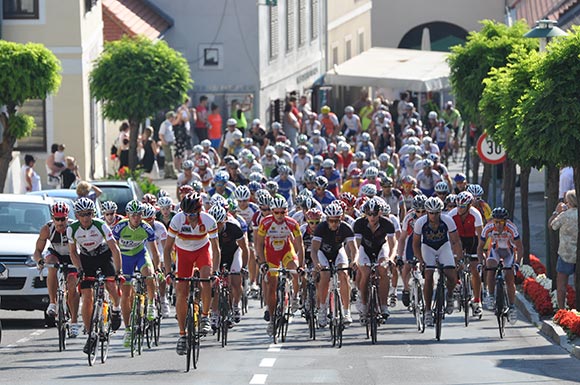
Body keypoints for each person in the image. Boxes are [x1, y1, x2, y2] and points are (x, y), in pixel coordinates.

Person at [163, 193, 220, 355]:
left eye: (193, 215)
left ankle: (205, 316)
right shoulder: (177, 220)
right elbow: (167, 249)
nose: (190, 218)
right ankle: (182, 335)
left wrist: (215, 272)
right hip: (183, 253)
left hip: (202, 250)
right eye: (187, 215)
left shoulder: (208, 220)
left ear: (200, 210)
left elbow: (216, 249)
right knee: (181, 292)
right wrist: (168, 272)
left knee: (206, 280)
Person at [67, 198, 122, 354]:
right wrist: (79, 268)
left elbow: (114, 249)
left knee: (111, 284)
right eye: (82, 214)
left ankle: (116, 309)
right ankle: (91, 333)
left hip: (104, 255)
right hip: (86, 258)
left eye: (89, 214)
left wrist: (118, 271)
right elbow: (72, 252)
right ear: (77, 215)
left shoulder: (101, 225)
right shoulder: (72, 229)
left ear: (93, 214)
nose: (85, 218)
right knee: (87, 296)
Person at [113, 200, 160, 347]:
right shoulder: (119, 227)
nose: (136, 218)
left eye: (139, 215)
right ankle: (128, 330)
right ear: (127, 215)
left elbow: (154, 251)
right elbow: (113, 249)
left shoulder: (147, 228)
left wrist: (157, 268)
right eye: (133, 215)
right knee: (125, 295)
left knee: (150, 274)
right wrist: (116, 269)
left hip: (140, 255)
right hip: (124, 258)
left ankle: (151, 303)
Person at [255, 196, 304, 336]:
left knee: (294, 270)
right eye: (277, 212)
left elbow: (299, 245)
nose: (280, 216)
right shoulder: (265, 222)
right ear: (272, 212)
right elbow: (258, 244)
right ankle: (271, 319)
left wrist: (301, 265)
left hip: (286, 251)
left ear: (286, 212)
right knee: (272, 286)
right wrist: (262, 262)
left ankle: (295, 297)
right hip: (271, 254)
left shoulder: (292, 223)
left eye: (282, 212)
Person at [413, 197, 464, 327]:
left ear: (440, 212)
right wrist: (421, 261)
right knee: (429, 276)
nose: (434, 216)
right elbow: (416, 244)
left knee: (452, 276)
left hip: (443, 246)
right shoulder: (420, 222)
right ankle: (428, 311)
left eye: (436, 213)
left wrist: (458, 258)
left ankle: (450, 295)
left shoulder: (447, 220)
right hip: (428, 247)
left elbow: (455, 241)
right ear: (427, 212)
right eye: (431, 213)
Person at [34, 202, 81, 337]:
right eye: (57, 219)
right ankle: (53, 302)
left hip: (72, 255)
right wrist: (39, 261)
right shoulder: (47, 229)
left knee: (72, 287)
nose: (60, 223)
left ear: (67, 218)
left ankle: (74, 322)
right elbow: (37, 251)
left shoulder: (74, 228)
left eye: (63, 219)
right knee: (51, 264)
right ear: (53, 218)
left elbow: (82, 249)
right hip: (55, 254)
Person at [311, 203, 357, 326]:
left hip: (338, 251)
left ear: (341, 218)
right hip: (323, 253)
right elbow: (314, 250)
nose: (334, 224)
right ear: (327, 220)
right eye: (331, 221)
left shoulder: (345, 228)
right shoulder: (320, 228)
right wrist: (316, 264)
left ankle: (346, 311)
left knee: (343, 274)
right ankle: (322, 309)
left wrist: (354, 261)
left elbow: (354, 249)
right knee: (325, 276)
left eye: (336, 221)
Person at [353, 197, 397, 322]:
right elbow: (356, 245)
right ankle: (364, 304)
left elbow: (393, 244)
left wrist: (391, 258)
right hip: (364, 249)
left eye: (375, 214)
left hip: (381, 248)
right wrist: (355, 260)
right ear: (365, 214)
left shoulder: (387, 223)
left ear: (380, 213)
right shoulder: (359, 224)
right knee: (365, 272)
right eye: (369, 214)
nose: (372, 217)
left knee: (383, 270)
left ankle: (383, 306)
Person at [478, 207, 523, 325]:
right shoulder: (488, 227)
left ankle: (512, 307)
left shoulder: (511, 227)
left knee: (509, 277)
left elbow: (520, 247)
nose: (498, 225)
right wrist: (480, 262)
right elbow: (480, 246)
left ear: (505, 221)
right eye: (496, 222)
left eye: (501, 222)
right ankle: (491, 295)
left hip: (509, 251)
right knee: (490, 266)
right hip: (496, 250)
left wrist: (517, 264)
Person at [208, 205, 249, 324]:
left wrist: (244, 267)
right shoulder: (207, 228)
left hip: (233, 254)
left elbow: (244, 248)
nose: (217, 226)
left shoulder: (233, 227)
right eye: (215, 223)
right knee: (214, 285)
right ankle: (214, 313)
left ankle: (235, 305)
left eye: (220, 223)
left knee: (235, 281)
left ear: (225, 220)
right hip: (216, 255)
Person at [448, 191, 484, 316]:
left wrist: (481, 253)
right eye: (458, 206)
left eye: (462, 206)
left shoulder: (476, 214)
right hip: (457, 239)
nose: (459, 209)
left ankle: (477, 301)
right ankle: (456, 283)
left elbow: (481, 236)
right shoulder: (452, 214)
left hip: (472, 240)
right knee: (453, 262)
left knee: (474, 269)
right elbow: (448, 237)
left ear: (469, 206)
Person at [549, 189, 577, 309]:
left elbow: (552, 225)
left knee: (561, 285)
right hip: (577, 254)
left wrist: (556, 211)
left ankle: (561, 310)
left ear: (568, 201)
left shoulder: (564, 216)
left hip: (565, 253)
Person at [159, 111, 177, 179]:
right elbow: (161, 134)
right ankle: (173, 173)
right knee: (170, 159)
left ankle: (167, 173)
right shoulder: (165, 124)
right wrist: (164, 141)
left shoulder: (169, 124)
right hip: (167, 143)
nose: (174, 118)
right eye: (173, 117)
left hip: (170, 142)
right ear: (170, 117)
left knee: (167, 159)